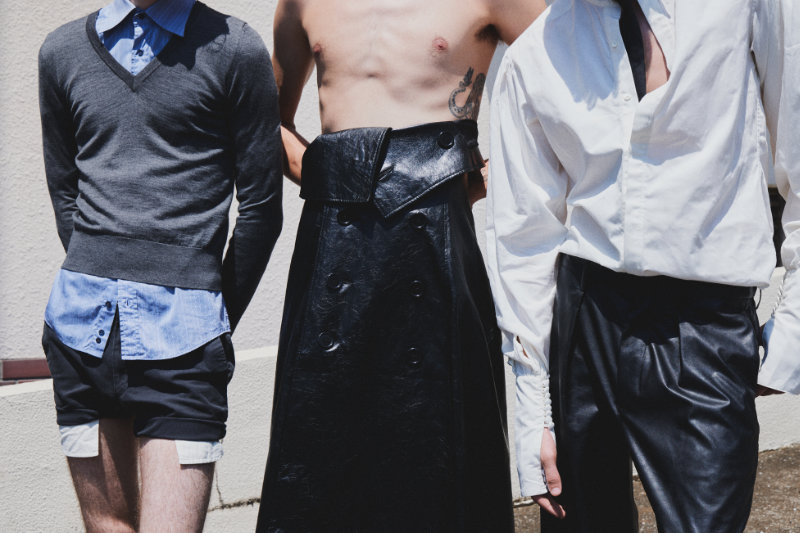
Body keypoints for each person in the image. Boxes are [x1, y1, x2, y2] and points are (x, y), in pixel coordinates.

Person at [486, 0, 799, 531]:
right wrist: (533, 411)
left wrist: (793, 323)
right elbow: (523, 239)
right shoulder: (536, 53)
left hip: (704, 322)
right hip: (583, 320)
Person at [256, 1, 545, 531]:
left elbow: (564, 88)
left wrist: (486, 174)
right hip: (332, 247)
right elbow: (266, 120)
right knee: (321, 447)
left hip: (435, 248)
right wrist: (327, 174)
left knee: (440, 444)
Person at [38, 0, 282, 530]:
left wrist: (212, 317)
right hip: (80, 332)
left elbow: (263, 208)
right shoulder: (60, 51)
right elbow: (65, 192)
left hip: (185, 340)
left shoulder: (235, 49)